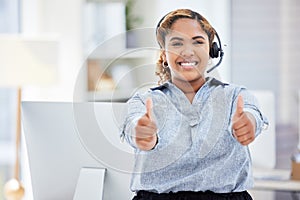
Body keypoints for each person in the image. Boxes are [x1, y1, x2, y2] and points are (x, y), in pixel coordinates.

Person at [121, 8, 268, 200]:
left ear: (212, 50)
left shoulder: (235, 96)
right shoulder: (144, 101)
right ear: (164, 55)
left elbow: (252, 113)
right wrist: (142, 133)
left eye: (198, 42)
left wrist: (249, 123)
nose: (188, 51)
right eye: (176, 43)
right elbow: (133, 124)